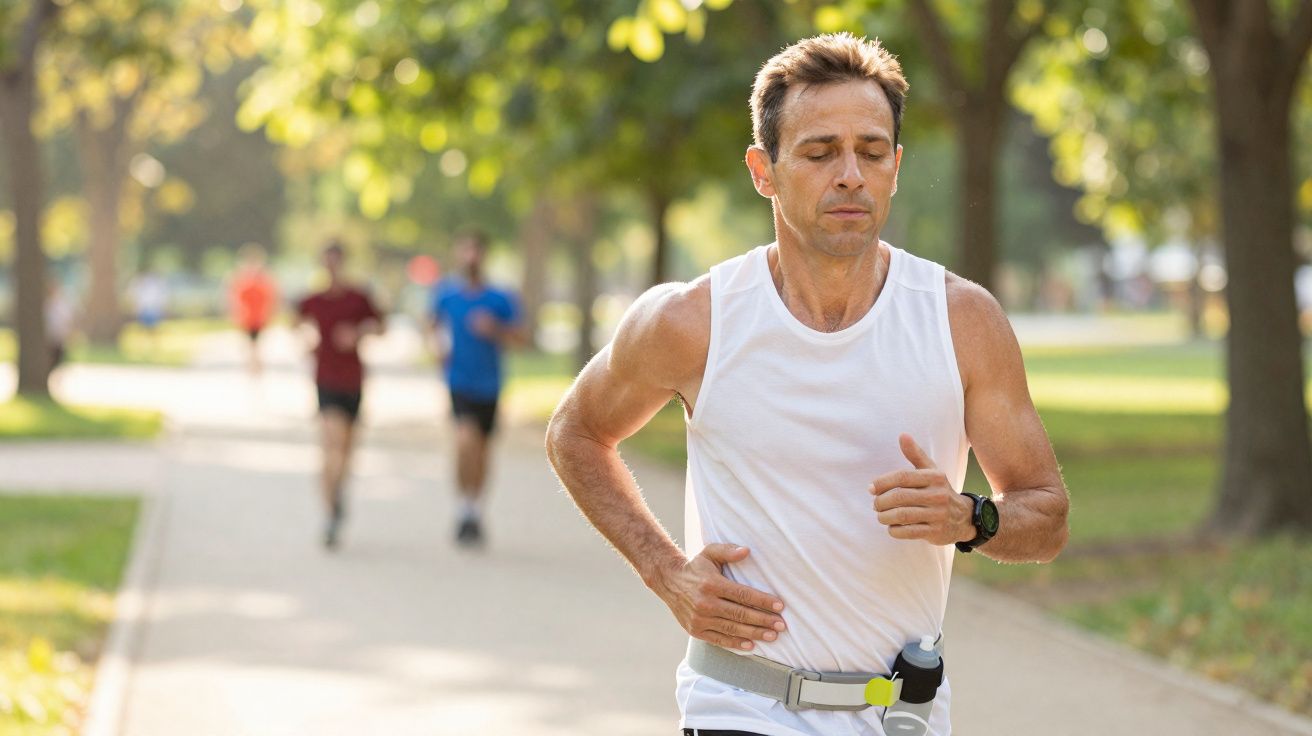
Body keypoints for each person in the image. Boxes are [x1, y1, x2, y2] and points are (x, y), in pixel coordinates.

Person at [545, 33, 1069, 736]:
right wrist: (665, 571)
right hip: (740, 704)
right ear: (764, 171)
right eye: (821, 153)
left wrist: (971, 519)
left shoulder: (961, 320)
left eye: (872, 152)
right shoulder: (693, 321)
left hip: (903, 715)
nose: (850, 175)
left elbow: (1047, 514)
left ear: (895, 167)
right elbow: (573, 431)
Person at [430, 231, 526, 547]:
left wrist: (495, 329)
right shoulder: (446, 295)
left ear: (483, 256)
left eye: (476, 251)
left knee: (483, 450)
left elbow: (521, 339)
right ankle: (462, 507)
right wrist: (437, 349)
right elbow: (431, 326)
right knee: (464, 441)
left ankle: (475, 510)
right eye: (465, 250)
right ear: (458, 254)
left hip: (490, 384)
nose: (471, 257)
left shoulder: (499, 299)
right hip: (458, 382)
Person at [296, 242, 385, 550]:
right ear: (322, 265)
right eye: (327, 262)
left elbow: (380, 326)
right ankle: (330, 513)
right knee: (331, 444)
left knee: (346, 451)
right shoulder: (313, 300)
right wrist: (308, 341)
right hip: (326, 380)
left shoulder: (358, 297)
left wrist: (357, 334)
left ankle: (338, 495)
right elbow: (296, 323)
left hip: (354, 381)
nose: (332, 267)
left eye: (336, 261)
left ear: (342, 263)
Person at [229, 243, 279, 375]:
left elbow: (271, 298)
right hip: (247, 318)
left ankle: (255, 367)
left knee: (256, 346)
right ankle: (253, 367)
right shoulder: (241, 279)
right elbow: (234, 298)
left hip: (259, 318)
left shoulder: (263, 280)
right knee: (250, 346)